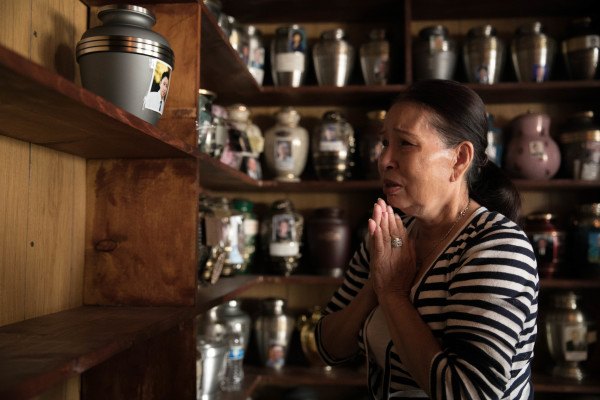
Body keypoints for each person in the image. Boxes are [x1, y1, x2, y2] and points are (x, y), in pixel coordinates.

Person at [315, 79, 538, 399]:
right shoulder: (388, 235)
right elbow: (328, 348)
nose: (384, 160)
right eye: (384, 143)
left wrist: (392, 294)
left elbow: (468, 392)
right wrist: (373, 288)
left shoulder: (498, 247)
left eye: (405, 143)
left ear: (460, 158)